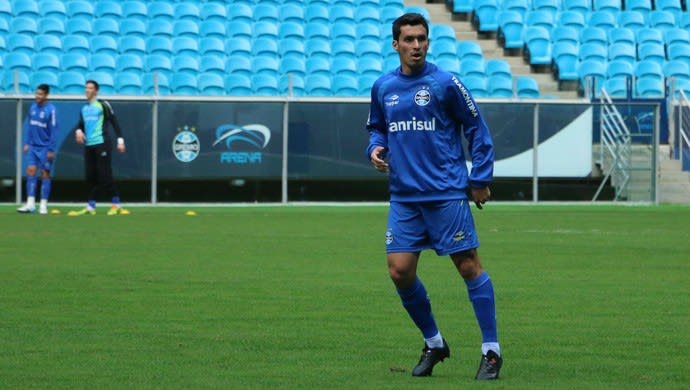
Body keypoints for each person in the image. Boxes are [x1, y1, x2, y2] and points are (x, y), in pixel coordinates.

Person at [366, 13, 502, 380]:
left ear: (428, 42)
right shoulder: (383, 87)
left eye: (421, 39)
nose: (416, 46)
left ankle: (491, 352)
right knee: (399, 271)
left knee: (469, 267)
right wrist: (375, 149)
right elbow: (378, 128)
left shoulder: (446, 83)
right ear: (395, 44)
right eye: (408, 39)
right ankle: (435, 342)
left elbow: (477, 128)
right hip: (404, 197)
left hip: (446, 194)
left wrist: (480, 178)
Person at [67, 80, 129, 216]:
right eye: (86, 88)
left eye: (90, 88)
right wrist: (78, 131)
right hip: (89, 145)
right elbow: (80, 125)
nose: (87, 91)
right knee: (90, 177)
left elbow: (115, 122)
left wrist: (120, 141)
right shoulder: (84, 109)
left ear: (96, 91)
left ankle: (116, 204)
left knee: (105, 176)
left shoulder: (103, 105)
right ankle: (90, 207)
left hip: (102, 143)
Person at [17, 84, 58, 215]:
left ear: (46, 95)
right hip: (33, 146)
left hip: (45, 147)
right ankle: (30, 204)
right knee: (30, 171)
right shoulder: (33, 107)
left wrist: (51, 149)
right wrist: (27, 142)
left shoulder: (51, 110)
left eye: (40, 94)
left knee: (45, 173)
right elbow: (29, 126)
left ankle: (43, 205)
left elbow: (54, 131)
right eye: (36, 93)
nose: (37, 96)